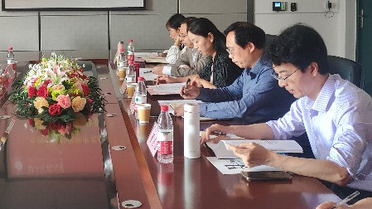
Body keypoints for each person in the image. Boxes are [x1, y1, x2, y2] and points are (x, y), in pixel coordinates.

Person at [202, 24, 372, 200]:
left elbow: (340, 172)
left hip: (360, 193)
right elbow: (277, 128)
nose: (281, 83)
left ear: (312, 69)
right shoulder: (306, 100)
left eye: (285, 75)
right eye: (278, 76)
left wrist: (269, 158)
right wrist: (229, 131)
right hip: (329, 183)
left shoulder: (351, 103)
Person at [171, 22, 294, 123]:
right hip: (246, 126)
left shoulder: (270, 72)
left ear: (250, 47)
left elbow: (241, 108)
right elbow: (229, 92)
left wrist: (197, 109)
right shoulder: (249, 68)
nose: (230, 56)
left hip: (266, 134)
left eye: (231, 50)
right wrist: (199, 93)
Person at [157, 18, 243, 88]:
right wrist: (174, 80)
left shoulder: (223, 59)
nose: (195, 47)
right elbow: (200, 76)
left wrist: (201, 83)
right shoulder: (213, 57)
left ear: (210, 37)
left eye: (196, 41)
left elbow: (221, 92)